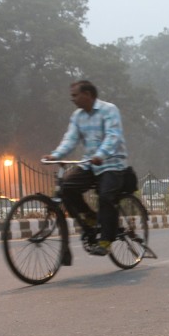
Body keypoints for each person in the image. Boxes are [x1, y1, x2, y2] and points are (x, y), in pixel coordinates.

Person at [43, 80, 129, 256]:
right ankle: (89, 216)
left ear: (88, 94)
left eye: (75, 95)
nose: (72, 99)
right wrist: (56, 155)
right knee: (66, 187)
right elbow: (70, 139)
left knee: (105, 197)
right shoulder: (77, 116)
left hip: (111, 162)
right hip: (90, 163)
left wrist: (101, 154)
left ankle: (106, 240)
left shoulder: (109, 110)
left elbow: (113, 136)